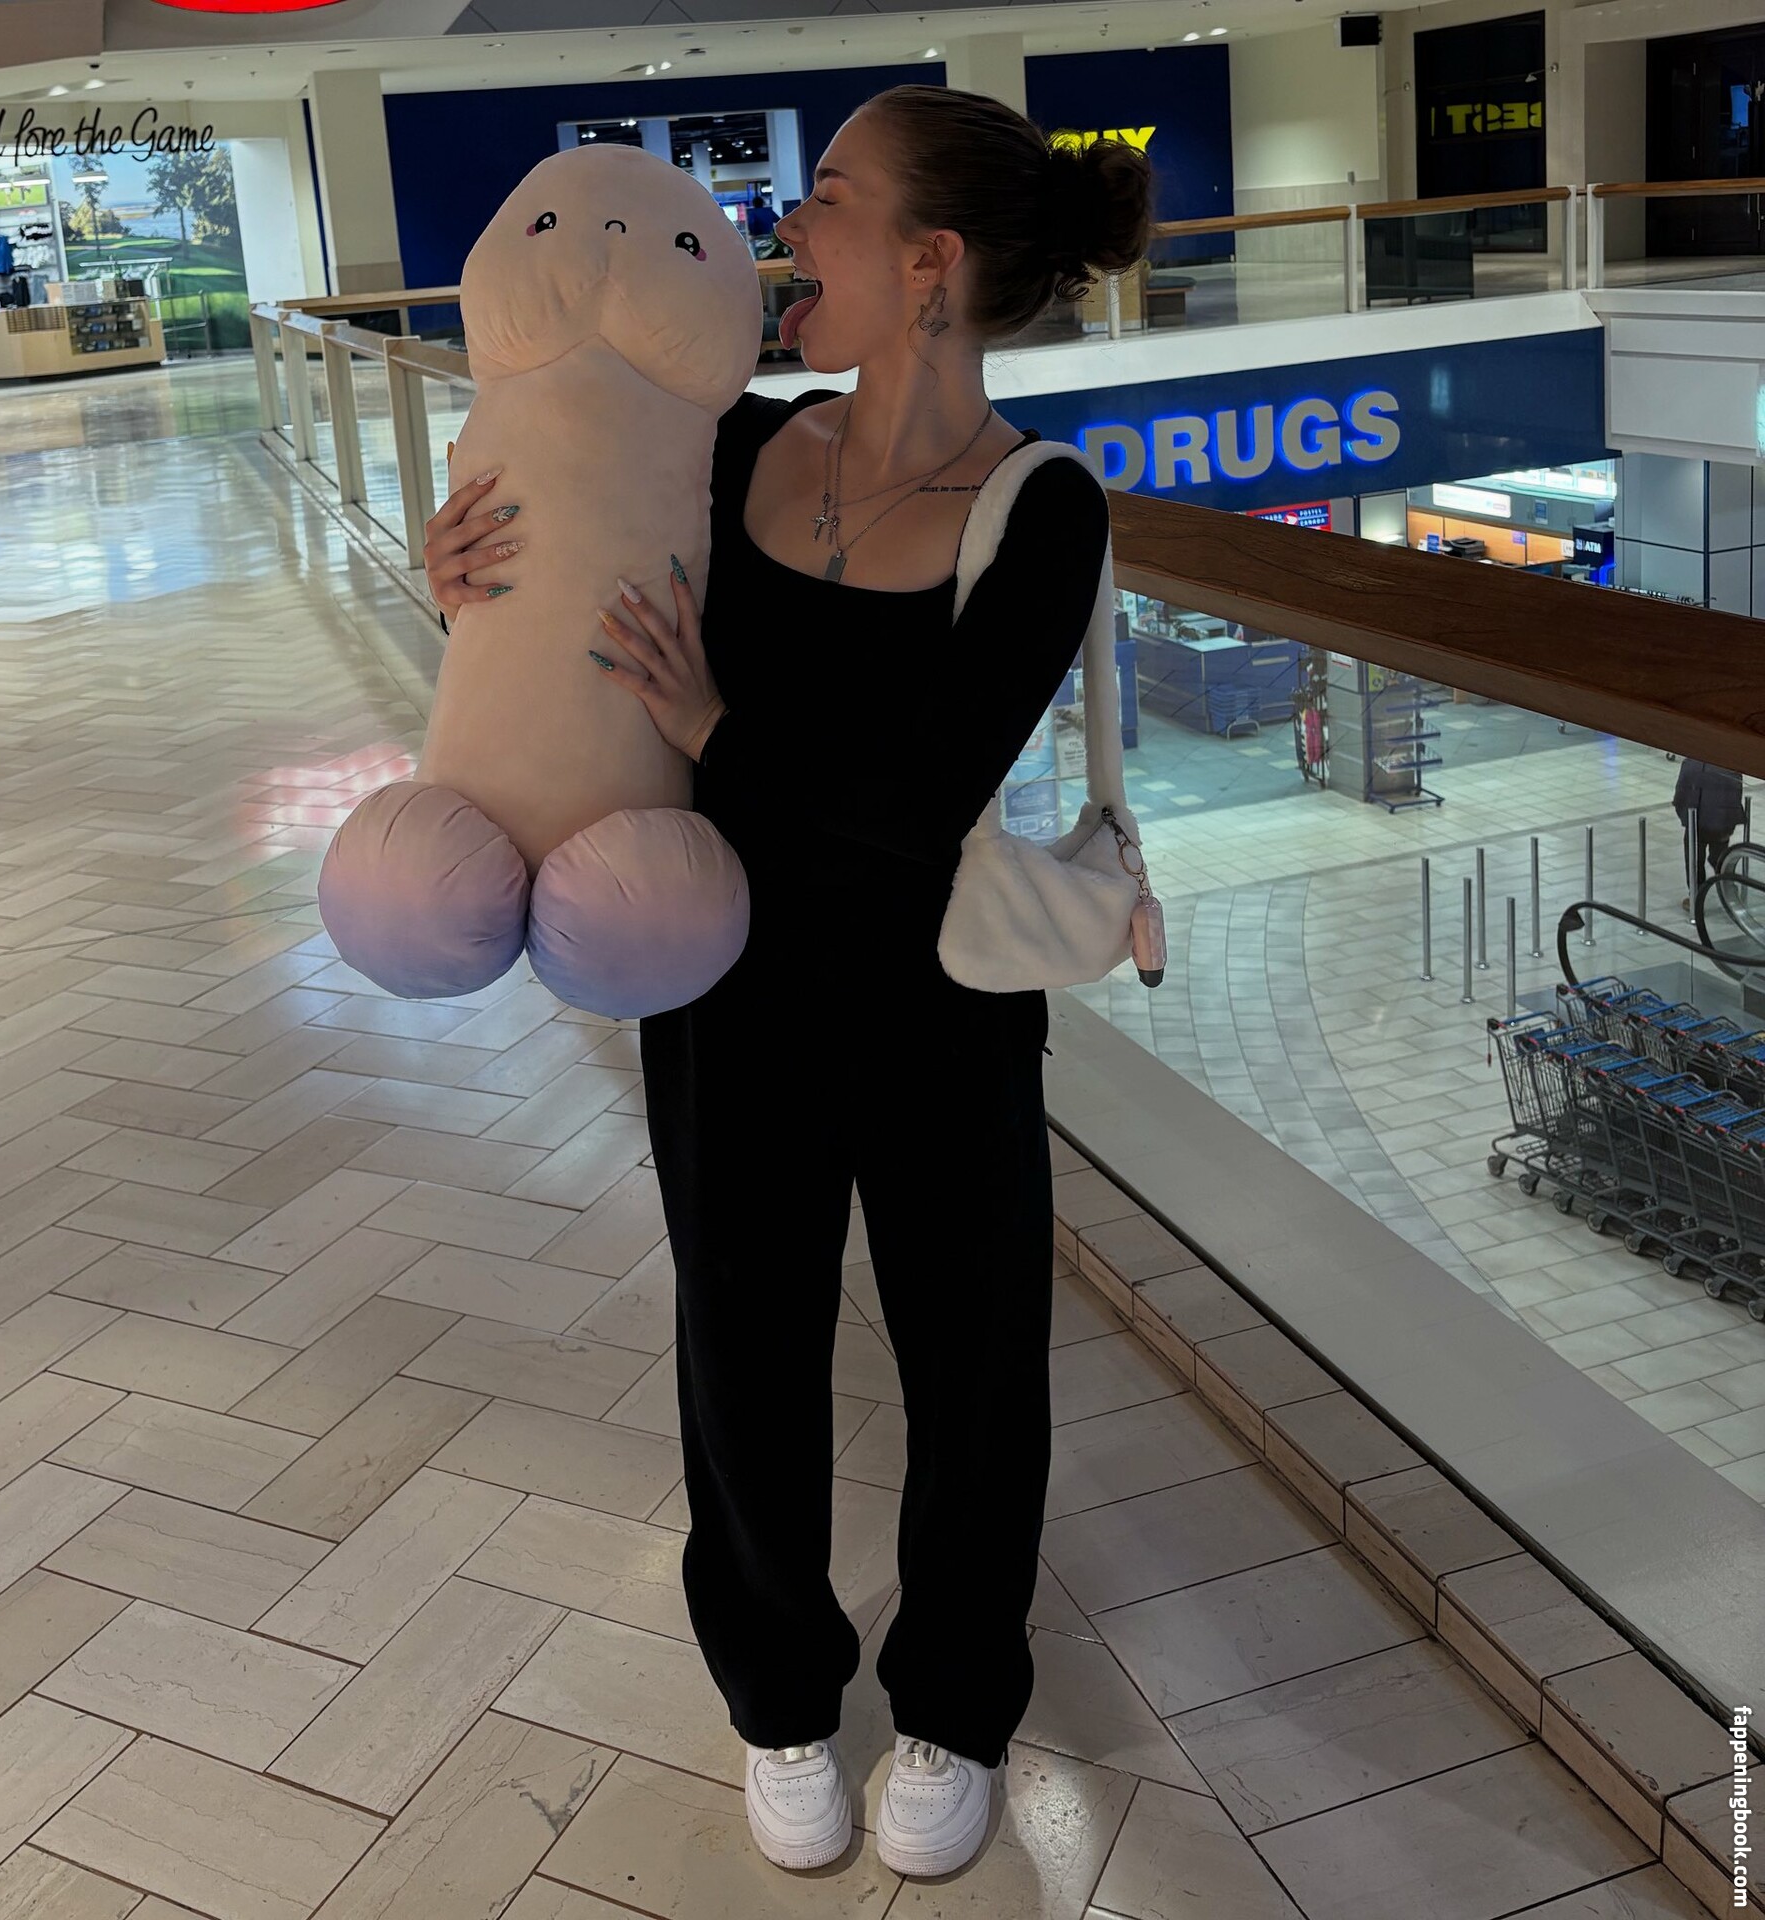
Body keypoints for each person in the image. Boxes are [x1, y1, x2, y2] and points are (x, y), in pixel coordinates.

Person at [423, 86, 1148, 1880]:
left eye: (826, 197)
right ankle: (778, 1698)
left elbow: (923, 796)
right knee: (742, 1355)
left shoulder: (1040, 509)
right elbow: (572, 602)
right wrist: (465, 586)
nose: (783, 227)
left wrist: (715, 724)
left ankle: (957, 1703)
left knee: (974, 1367)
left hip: (941, 1008)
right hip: (730, 993)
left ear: (929, 263)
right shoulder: (735, 442)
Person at [1674, 758, 1745, 913]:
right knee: (1720, 859)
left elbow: (1680, 793)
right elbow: (1735, 794)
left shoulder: (1691, 763)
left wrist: (1684, 815)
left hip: (1696, 821)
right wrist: (1730, 821)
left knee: (1694, 861)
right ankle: (1729, 893)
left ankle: (1695, 897)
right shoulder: (1729, 764)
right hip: (1721, 822)